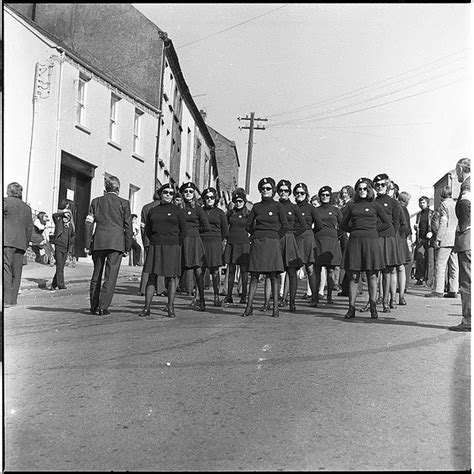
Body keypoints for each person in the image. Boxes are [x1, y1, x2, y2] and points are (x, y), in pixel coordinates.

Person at [340, 177, 391, 320]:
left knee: (372, 275)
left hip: (371, 242)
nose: (362, 191)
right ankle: (351, 308)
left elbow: (387, 223)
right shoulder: (351, 206)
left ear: (369, 190)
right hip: (355, 241)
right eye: (359, 189)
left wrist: (373, 229)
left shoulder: (376, 205)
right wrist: (355, 229)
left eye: (365, 188)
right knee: (354, 276)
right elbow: (343, 225)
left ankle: (373, 307)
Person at [85, 175, 133, 316]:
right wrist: (127, 246)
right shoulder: (124, 203)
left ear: (106, 188)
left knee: (96, 274)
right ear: (118, 188)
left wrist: (88, 244)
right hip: (116, 243)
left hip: (99, 242)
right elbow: (128, 227)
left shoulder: (96, 202)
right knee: (110, 276)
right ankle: (103, 306)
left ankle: (93, 305)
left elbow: (88, 223)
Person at [241, 177, 288, 318]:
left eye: (268, 188)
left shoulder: (278, 206)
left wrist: (274, 236)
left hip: (272, 243)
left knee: (273, 275)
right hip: (258, 243)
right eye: (263, 188)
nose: (265, 191)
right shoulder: (256, 207)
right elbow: (248, 225)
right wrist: (257, 235)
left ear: (273, 191)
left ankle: (275, 309)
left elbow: (284, 226)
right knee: (254, 275)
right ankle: (249, 307)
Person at [138, 183, 187, 318]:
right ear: (160, 193)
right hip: (156, 245)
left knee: (171, 277)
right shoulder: (153, 210)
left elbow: (184, 231)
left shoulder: (178, 211)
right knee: (152, 277)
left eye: (171, 193)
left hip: (172, 247)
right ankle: (146, 308)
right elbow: (147, 230)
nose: (168, 195)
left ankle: (170, 307)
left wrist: (175, 244)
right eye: (166, 192)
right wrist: (156, 240)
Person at [273, 179, 307, 312]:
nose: (283, 193)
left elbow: (304, 225)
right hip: (276, 240)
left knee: (291, 272)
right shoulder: (274, 206)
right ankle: (275, 301)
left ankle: (292, 302)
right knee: (274, 272)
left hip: (289, 240)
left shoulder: (294, 207)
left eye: (286, 190)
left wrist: (292, 234)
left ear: (289, 192)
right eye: (281, 190)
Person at [373, 173, 405, 312]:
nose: (379, 187)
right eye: (377, 185)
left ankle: (387, 301)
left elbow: (397, 224)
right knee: (373, 271)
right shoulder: (372, 202)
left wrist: (391, 239)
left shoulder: (393, 203)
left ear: (387, 186)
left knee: (387, 270)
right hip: (374, 238)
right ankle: (373, 301)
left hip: (388, 239)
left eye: (382, 185)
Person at [179, 181, 210, 311]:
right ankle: (169, 303)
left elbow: (206, 226)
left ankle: (201, 300)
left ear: (194, 194)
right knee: (177, 271)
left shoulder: (198, 209)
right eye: (186, 191)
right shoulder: (179, 208)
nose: (188, 194)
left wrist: (195, 232)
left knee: (198, 271)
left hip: (194, 241)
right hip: (181, 241)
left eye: (191, 192)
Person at [4, 182, 34, 308]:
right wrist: (25, 244)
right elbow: (29, 228)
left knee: (6, 268)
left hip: (7, 240)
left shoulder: (5, 202)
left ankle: (6, 300)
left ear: (8, 191)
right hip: (21, 243)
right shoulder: (27, 208)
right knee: (17, 272)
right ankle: (13, 300)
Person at [293, 182, 323, 307]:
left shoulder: (311, 208)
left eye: (302, 193)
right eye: (297, 193)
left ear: (306, 194)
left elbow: (319, 225)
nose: (299, 195)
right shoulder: (292, 208)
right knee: (292, 269)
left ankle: (314, 297)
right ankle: (289, 299)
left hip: (307, 239)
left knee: (310, 269)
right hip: (294, 239)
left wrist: (310, 232)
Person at [425, 186, 459, 298]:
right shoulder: (455, 204)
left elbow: (443, 222)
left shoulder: (444, 205)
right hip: (455, 237)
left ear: (441, 195)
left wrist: (438, 238)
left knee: (440, 264)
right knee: (454, 265)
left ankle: (438, 290)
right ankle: (453, 289)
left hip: (446, 237)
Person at [450, 158, 471, 332]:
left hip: (467, 238)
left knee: (466, 280)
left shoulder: (466, 185)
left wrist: (463, 227)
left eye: (457, 171)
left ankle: (468, 320)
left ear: (460, 169)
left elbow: (465, 205)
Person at [313, 185, 343, 305]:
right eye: (323, 195)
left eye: (327, 195)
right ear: (320, 196)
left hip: (332, 241)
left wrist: (336, 235)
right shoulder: (315, 210)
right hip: (318, 240)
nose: (325, 197)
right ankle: (315, 297)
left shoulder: (336, 210)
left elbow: (343, 225)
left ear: (330, 197)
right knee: (317, 270)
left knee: (331, 270)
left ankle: (330, 296)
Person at [200, 187, 229, 307]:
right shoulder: (200, 211)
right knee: (200, 271)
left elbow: (225, 230)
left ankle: (216, 296)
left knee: (215, 271)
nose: (209, 200)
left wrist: (218, 240)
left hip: (215, 243)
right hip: (202, 242)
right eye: (207, 197)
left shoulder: (220, 212)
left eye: (212, 197)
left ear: (215, 198)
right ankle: (199, 297)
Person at [223, 189, 250, 305]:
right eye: (236, 201)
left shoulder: (248, 214)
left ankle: (244, 295)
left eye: (240, 201)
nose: (238, 203)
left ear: (244, 201)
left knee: (244, 271)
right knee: (231, 270)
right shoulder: (229, 213)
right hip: (231, 243)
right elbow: (224, 226)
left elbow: (253, 228)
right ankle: (229, 295)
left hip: (243, 244)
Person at [139, 189, 161, 296]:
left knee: (148, 264)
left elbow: (142, 226)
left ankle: (143, 288)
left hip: (148, 239)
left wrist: (144, 239)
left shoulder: (146, 207)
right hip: (160, 239)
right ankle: (160, 288)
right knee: (161, 263)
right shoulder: (163, 207)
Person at [50, 207, 75, 290]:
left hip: (65, 248)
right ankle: (61, 285)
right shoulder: (59, 223)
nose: (65, 219)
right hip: (58, 247)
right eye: (64, 217)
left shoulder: (70, 227)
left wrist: (71, 244)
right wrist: (62, 214)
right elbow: (54, 215)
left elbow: (73, 235)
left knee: (61, 267)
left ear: (69, 219)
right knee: (59, 266)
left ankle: (54, 284)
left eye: (67, 217)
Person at [337, 185, 354, 297]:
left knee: (348, 260)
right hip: (343, 233)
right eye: (342, 192)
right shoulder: (345, 204)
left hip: (346, 233)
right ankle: (345, 287)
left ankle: (348, 288)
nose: (344, 194)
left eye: (345, 192)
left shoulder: (350, 205)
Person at [397, 191, 414, 305]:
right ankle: (402, 291)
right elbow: (407, 227)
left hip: (395, 237)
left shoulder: (396, 207)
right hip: (403, 238)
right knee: (403, 266)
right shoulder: (404, 209)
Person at [414, 196, 435, 286]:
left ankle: (429, 281)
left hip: (430, 239)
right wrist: (416, 228)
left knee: (430, 260)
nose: (421, 204)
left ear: (427, 203)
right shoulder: (419, 214)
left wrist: (431, 232)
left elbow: (435, 226)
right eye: (420, 203)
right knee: (419, 258)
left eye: (423, 202)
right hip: (421, 239)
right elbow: (419, 226)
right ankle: (420, 278)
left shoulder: (432, 213)